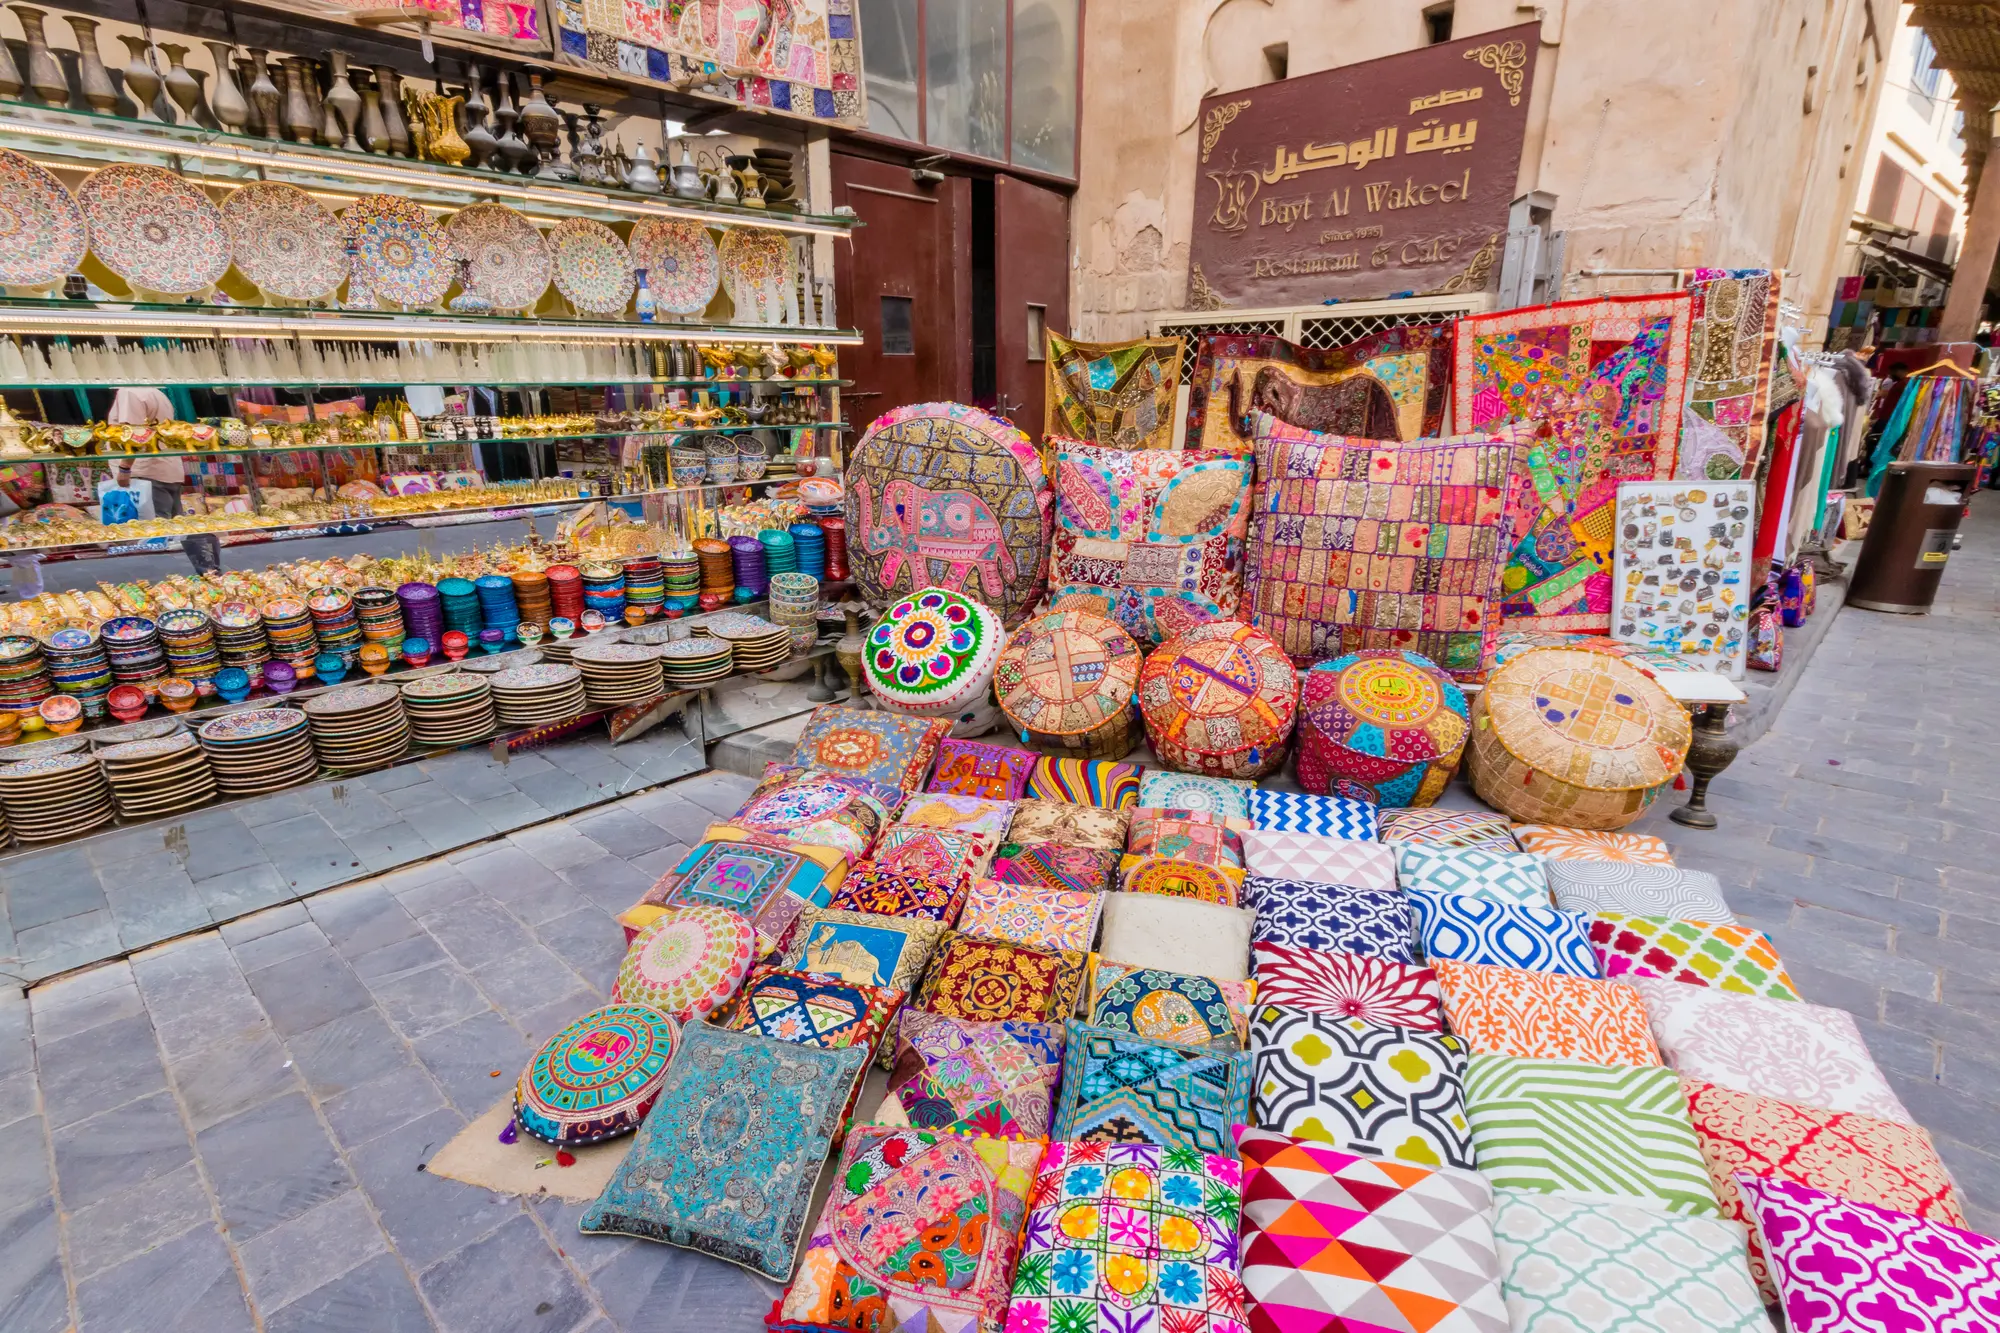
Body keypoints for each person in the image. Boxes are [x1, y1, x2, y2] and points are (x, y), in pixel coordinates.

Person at [108, 387, 220, 575]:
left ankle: (165, 582)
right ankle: (208, 573)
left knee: (155, 534)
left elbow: (135, 435)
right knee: (177, 527)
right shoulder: (157, 393)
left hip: (147, 472)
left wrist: (125, 467)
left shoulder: (130, 392)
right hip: (165, 468)